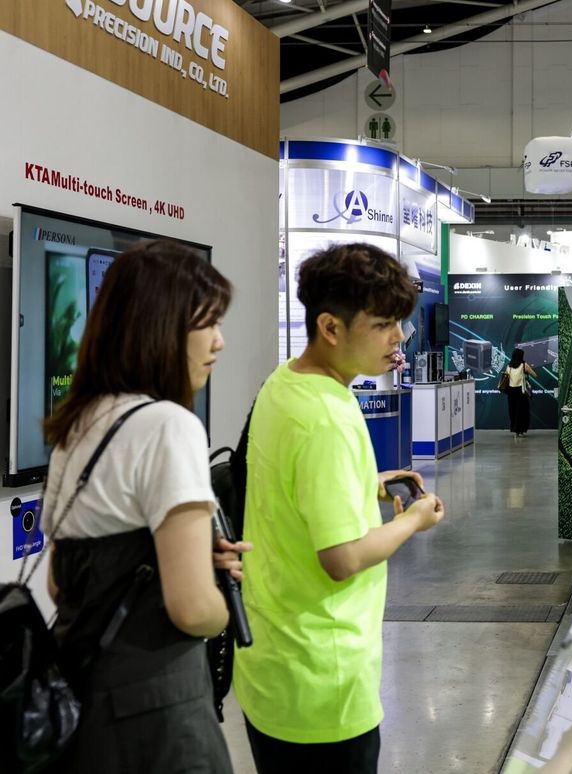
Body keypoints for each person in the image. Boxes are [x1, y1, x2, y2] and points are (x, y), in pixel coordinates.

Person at [234, 242, 445, 773]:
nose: (398, 337)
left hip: (272, 667)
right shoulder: (328, 416)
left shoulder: (284, 384)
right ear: (330, 327)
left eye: (399, 322)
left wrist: (365, 482)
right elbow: (341, 557)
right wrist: (413, 521)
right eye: (382, 324)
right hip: (323, 683)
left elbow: (291, 489)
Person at [40, 239, 249, 773]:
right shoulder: (170, 425)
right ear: (163, 327)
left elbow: (61, 585)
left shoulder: (76, 427)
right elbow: (192, 609)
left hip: (85, 702)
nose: (220, 341)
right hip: (160, 713)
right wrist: (224, 603)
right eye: (209, 323)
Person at [504, 347, 536, 437]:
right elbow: (534, 374)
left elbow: (506, 377)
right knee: (522, 411)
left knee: (513, 411)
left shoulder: (509, 366)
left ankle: (515, 431)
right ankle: (521, 430)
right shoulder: (524, 365)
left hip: (511, 392)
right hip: (521, 391)